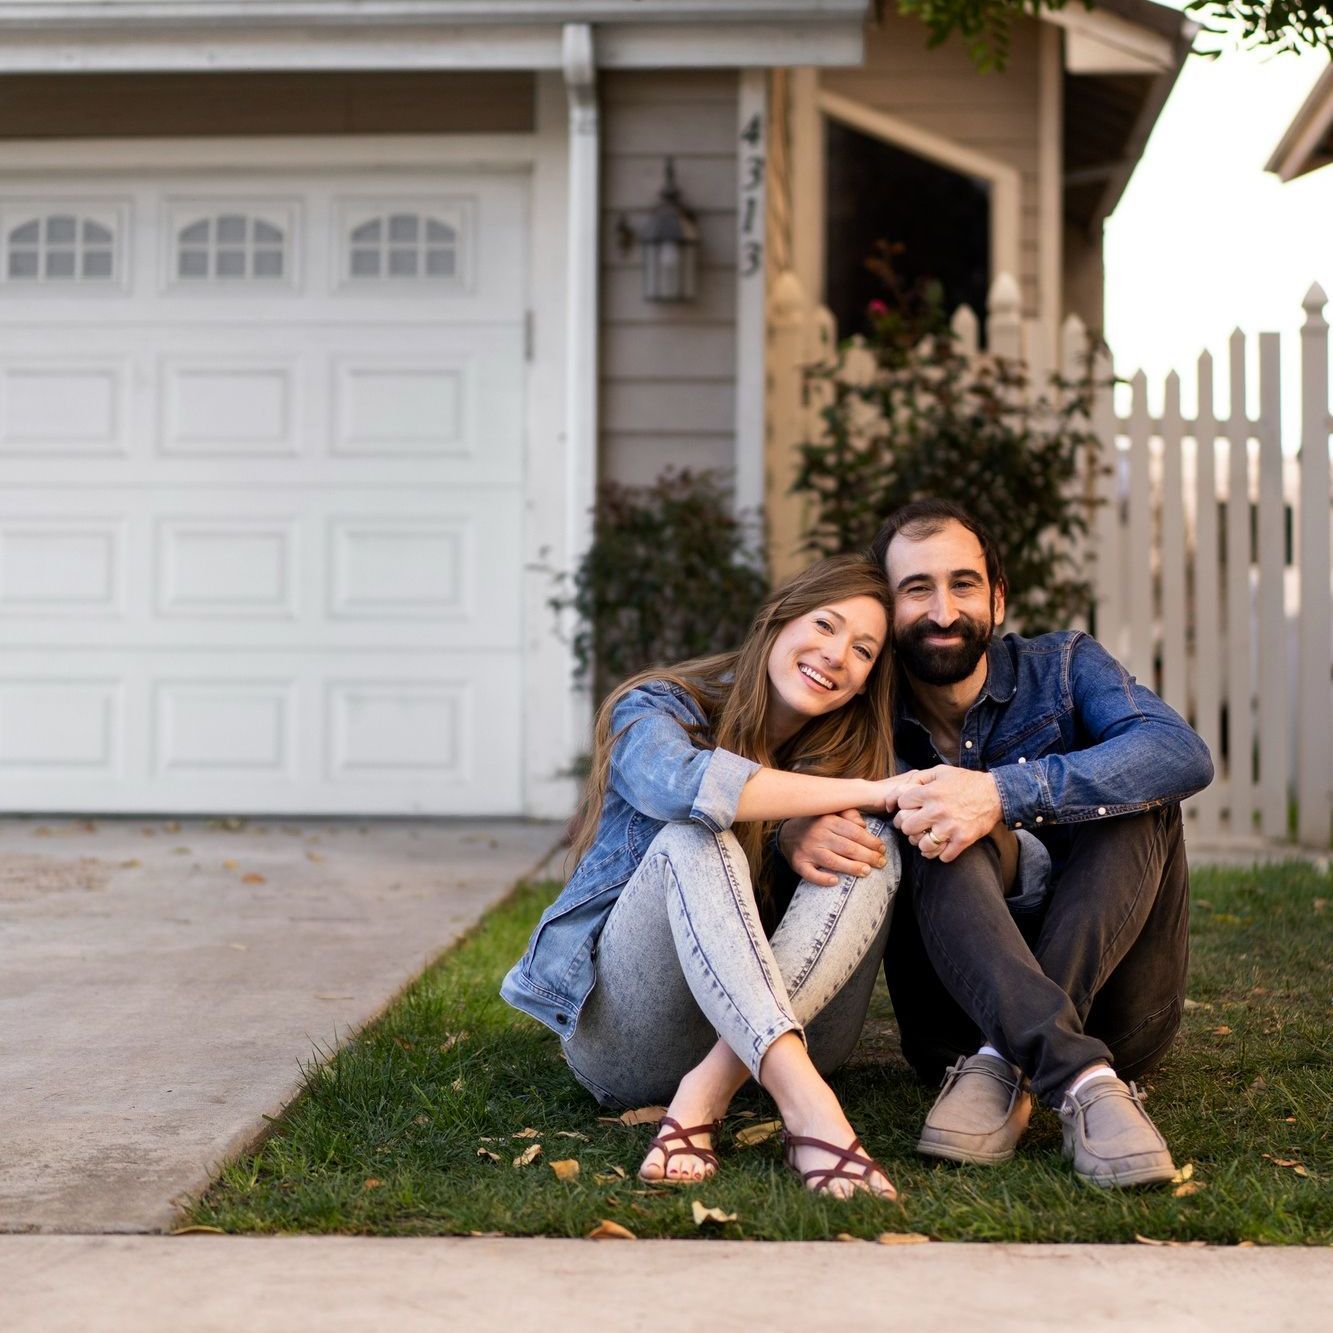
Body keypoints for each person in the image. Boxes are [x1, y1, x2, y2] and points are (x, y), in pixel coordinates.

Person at [780, 501, 1214, 1188]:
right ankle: (1078, 1076)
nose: (942, 609)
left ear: (997, 597)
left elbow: (1178, 752)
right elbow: (767, 764)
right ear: (884, 609)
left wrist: (1002, 793)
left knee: (1137, 802)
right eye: (915, 588)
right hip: (949, 1031)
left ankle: (1006, 1057)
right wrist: (790, 824)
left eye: (962, 584)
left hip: (1119, 1017)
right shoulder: (859, 708)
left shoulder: (1067, 666)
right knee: (927, 817)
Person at [502, 554, 919, 1198]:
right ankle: (810, 1111)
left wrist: (798, 833)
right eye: (826, 625)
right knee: (693, 833)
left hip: (791, 1026)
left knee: (869, 843)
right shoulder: (657, 707)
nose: (837, 655)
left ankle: (708, 1087)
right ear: (777, 623)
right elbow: (682, 787)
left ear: (867, 681)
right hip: (632, 1041)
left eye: (863, 650)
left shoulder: (848, 749)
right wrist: (854, 795)